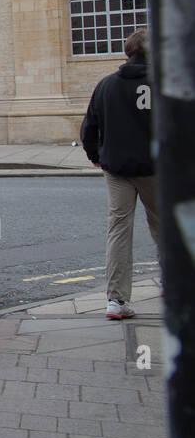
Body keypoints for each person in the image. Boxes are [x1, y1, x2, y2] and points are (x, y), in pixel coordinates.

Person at [80, 29, 159, 320]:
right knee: (164, 228)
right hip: (156, 167)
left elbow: (89, 126)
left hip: (116, 168)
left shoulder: (106, 85)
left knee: (119, 231)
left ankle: (116, 299)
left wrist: (96, 157)